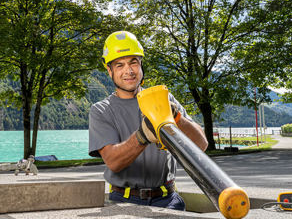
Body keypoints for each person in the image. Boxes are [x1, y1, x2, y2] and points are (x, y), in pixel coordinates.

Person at [89, 31, 208, 210]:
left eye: (133, 63)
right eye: (119, 65)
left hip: (168, 200)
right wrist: (142, 136)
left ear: (141, 65)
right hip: (123, 201)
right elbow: (113, 161)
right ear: (109, 70)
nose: (128, 71)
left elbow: (201, 144)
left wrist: (176, 118)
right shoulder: (101, 110)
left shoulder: (164, 99)